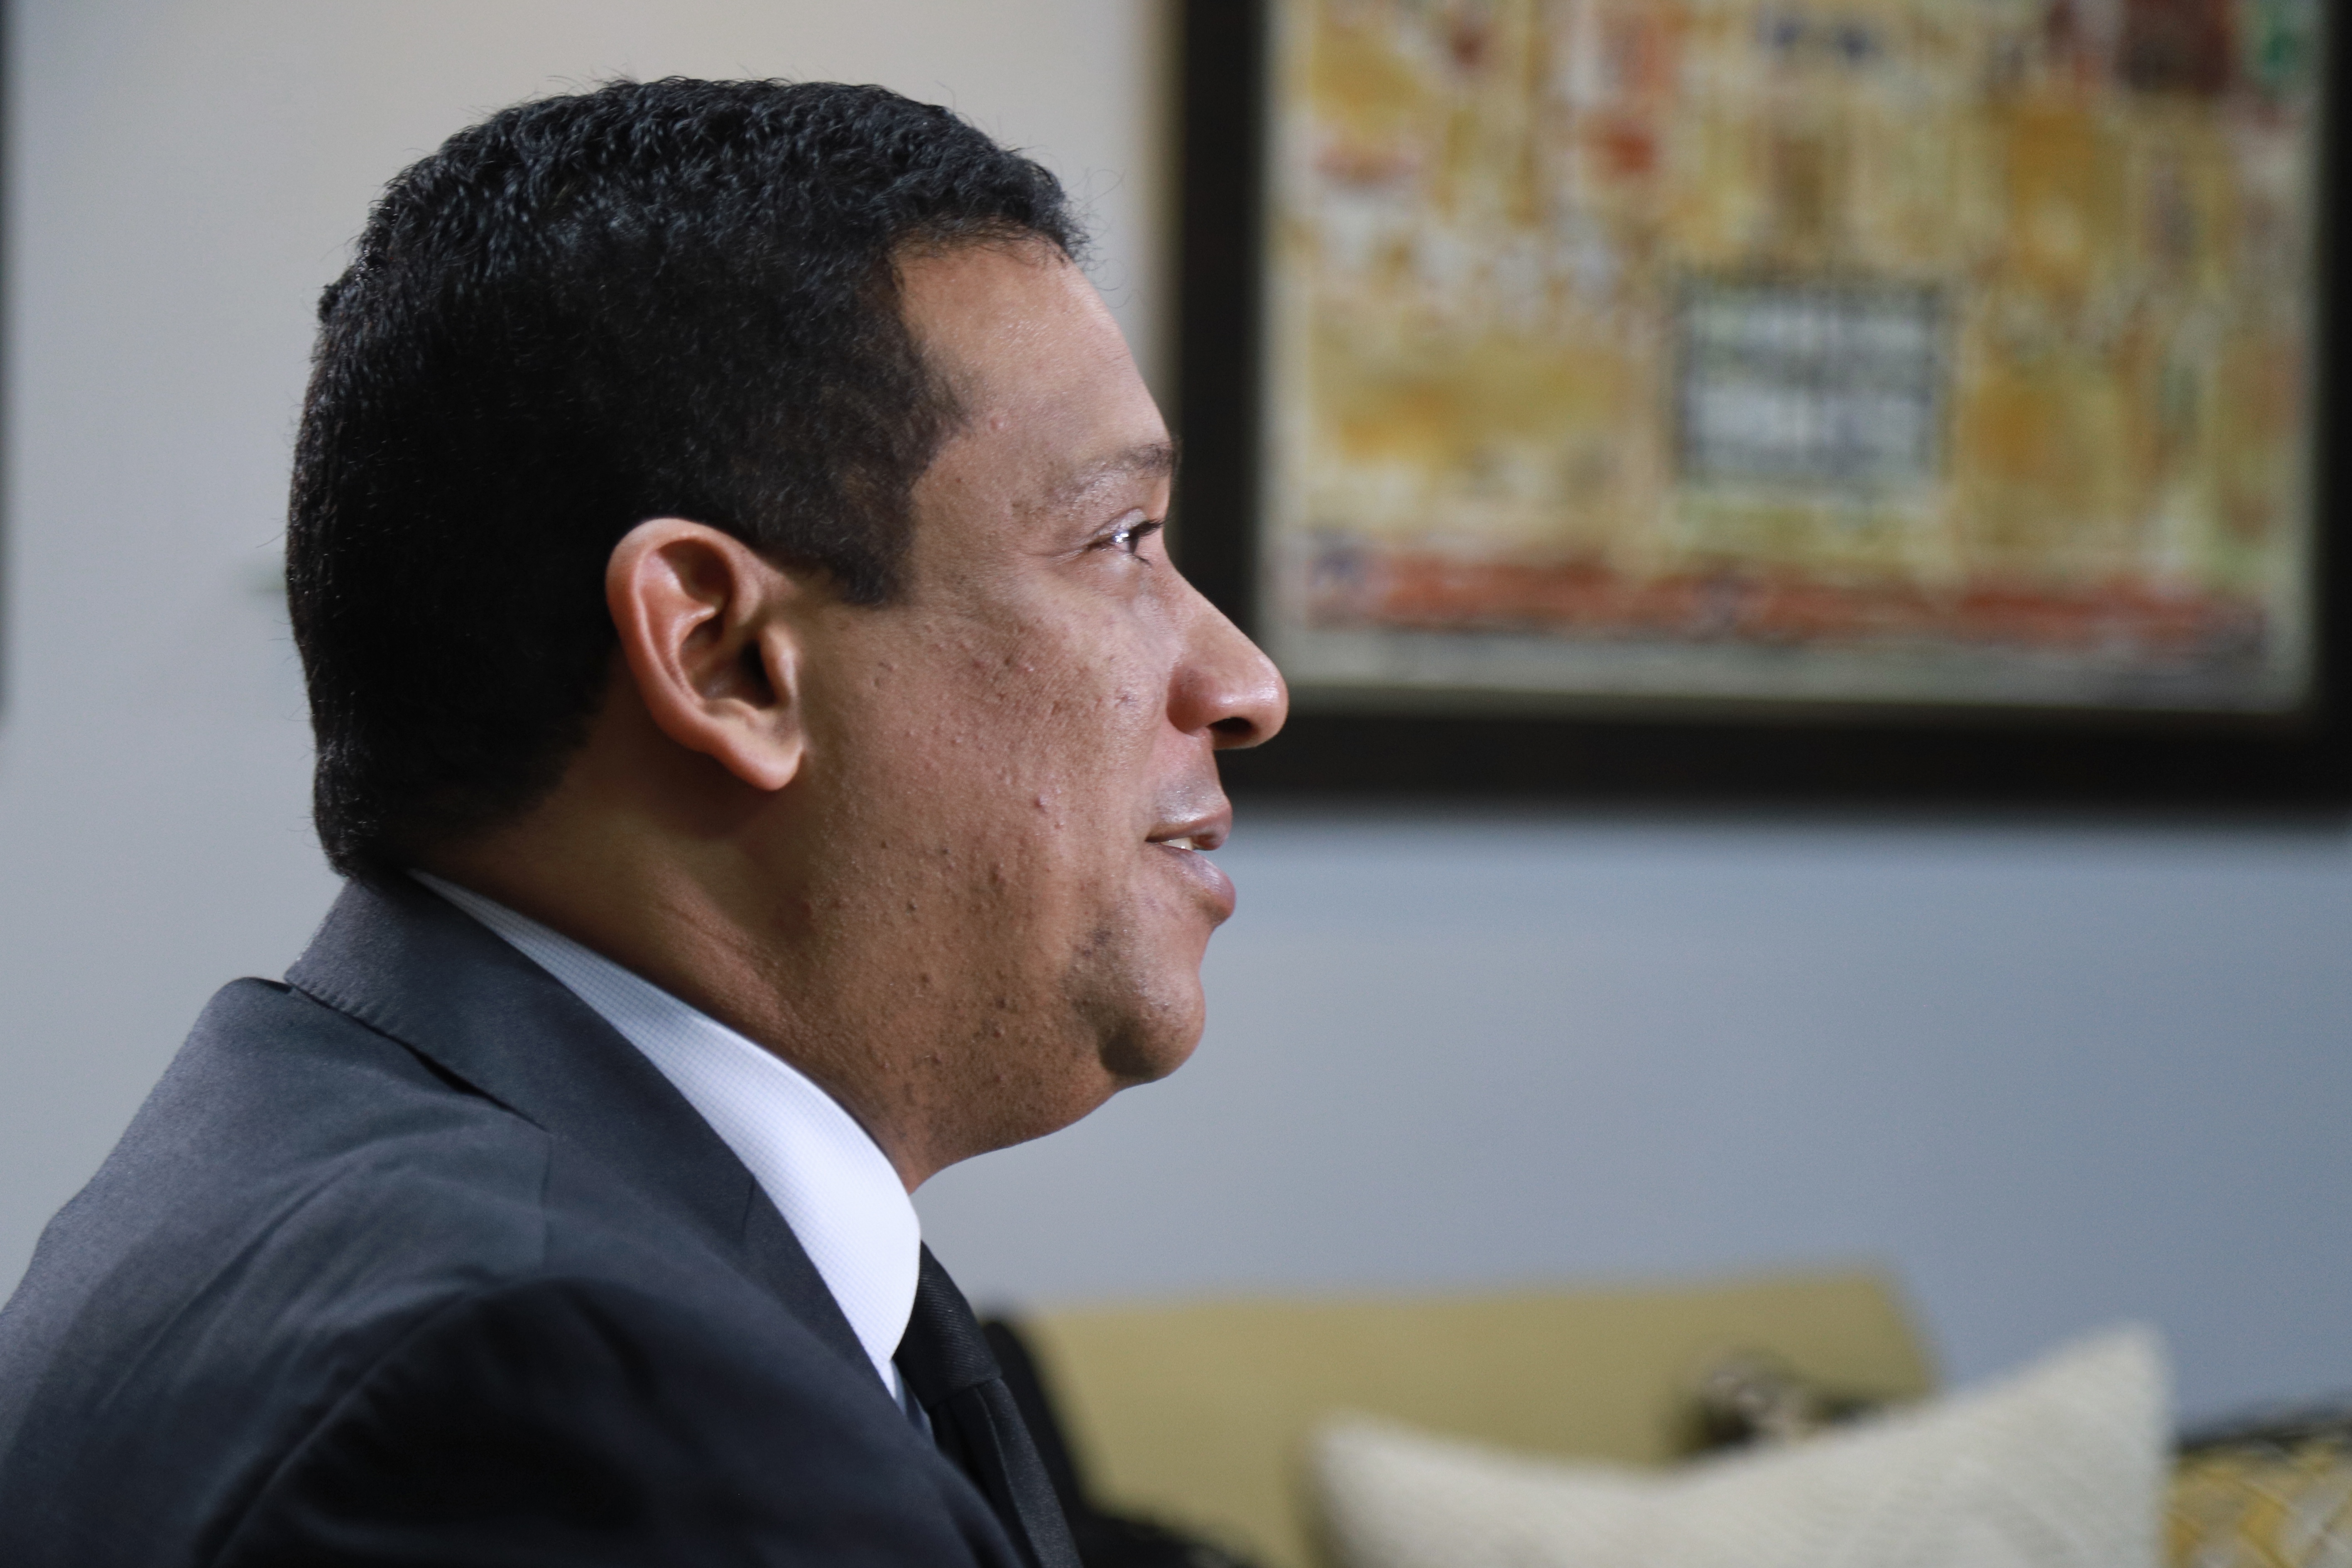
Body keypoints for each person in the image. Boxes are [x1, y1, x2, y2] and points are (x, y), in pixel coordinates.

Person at [0, 77, 1285, 1564]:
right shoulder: (559, 1393)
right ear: (724, 656)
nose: (1245, 685)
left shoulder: (350, 1184)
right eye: (1120, 540)